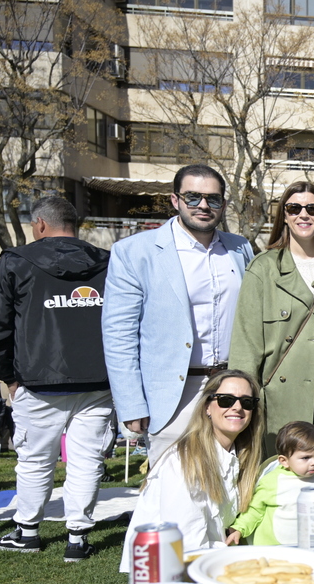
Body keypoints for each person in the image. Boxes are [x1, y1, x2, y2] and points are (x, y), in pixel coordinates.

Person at [0, 197, 114, 561]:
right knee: (87, 461)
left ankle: (28, 532)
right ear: (74, 225)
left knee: (35, 461)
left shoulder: (15, 262)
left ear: (40, 224)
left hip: (37, 382)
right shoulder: (108, 261)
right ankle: (78, 538)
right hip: (98, 382)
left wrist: (7, 376)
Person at [103, 165, 255, 461]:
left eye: (212, 199)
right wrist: (132, 404)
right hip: (171, 394)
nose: (202, 205)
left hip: (229, 390)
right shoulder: (134, 252)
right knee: (171, 487)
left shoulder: (241, 248)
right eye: (192, 196)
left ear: (223, 205)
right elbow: (118, 335)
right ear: (175, 200)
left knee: (229, 485)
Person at [229, 181, 314, 500]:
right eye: (294, 208)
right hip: (283, 390)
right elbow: (247, 341)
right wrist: (241, 398)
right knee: (286, 476)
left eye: (312, 208)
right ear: (284, 216)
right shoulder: (263, 268)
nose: (304, 214)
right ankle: (286, 543)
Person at [118, 370, 264, 569]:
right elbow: (186, 542)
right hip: (168, 571)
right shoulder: (184, 461)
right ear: (207, 407)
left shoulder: (240, 456)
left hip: (205, 562)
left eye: (247, 402)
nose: (237, 407)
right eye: (226, 400)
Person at [228, 420, 314, 546]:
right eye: (305, 458)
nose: (313, 462)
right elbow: (255, 510)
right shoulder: (272, 481)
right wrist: (239, 528)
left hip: (310, 547)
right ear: (284, 461)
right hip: (272, 548)